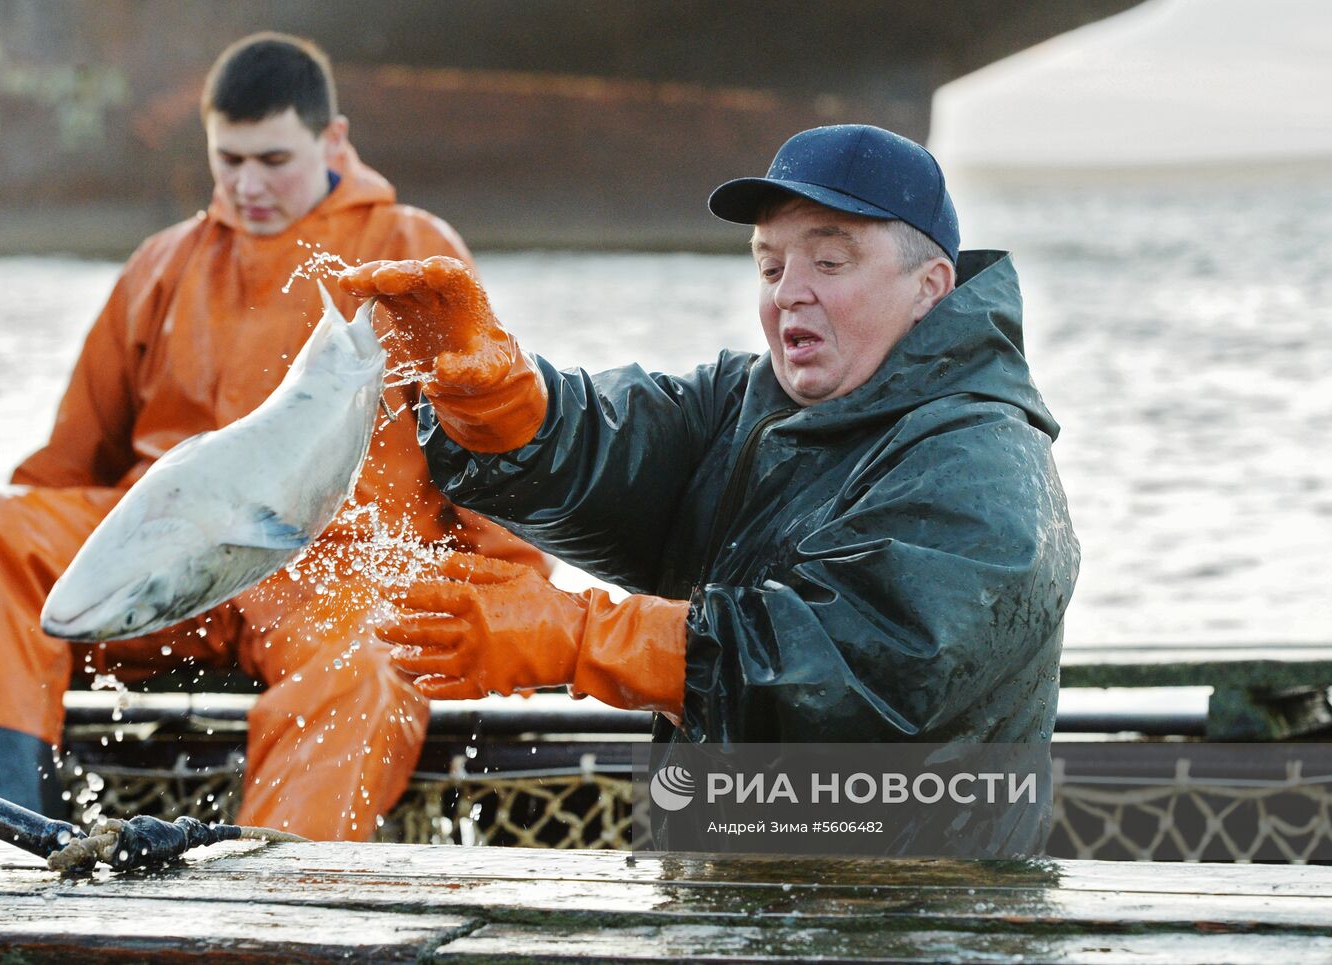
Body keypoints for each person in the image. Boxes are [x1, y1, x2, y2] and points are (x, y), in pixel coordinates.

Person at [342, 124, 1081, 854]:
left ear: (930, 287)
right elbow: (610, 445)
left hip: (924, 913)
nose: (790, 294)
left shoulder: (983, 464)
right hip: (731, 885)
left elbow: (853, 675)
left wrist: (578, 636)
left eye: (829, 260)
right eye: (769, 267)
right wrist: (501, 402)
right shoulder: (743, 401)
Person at [0, 32, 545, 839]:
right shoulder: (162, 261)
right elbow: (64, 466)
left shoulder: (410, 252)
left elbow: (487, 427)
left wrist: (520, 599)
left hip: (329, 573)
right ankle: (18, 841)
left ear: (333, 140)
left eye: (272, 159)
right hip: (166, 559)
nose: (248, 184)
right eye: (229, 160)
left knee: (368, 666)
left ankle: (270, 899)